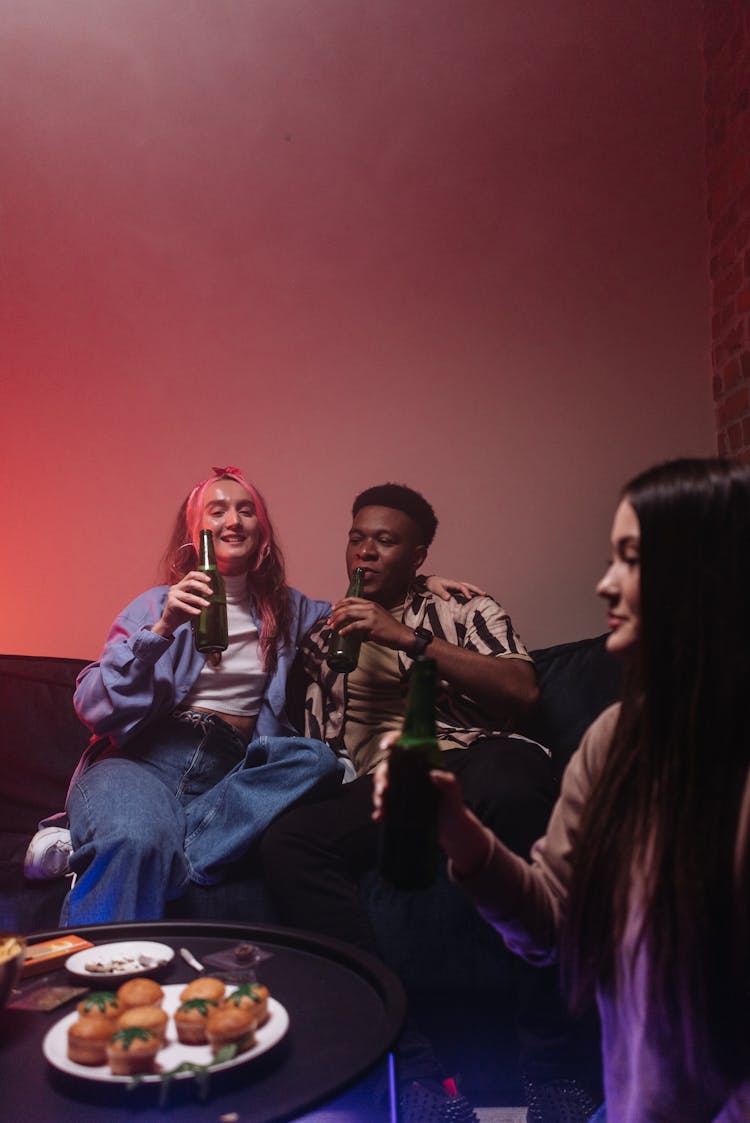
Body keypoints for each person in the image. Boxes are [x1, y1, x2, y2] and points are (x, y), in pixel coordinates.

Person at [374, 458, 750, 1123]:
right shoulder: (615, 738)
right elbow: (550, 926)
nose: (605, 584)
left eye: (631, 560)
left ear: (708, 573)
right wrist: (457, 828)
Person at [260, 483, 600, 1123]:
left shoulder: (464, 608)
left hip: (474, 754)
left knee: (512, 782)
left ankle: (554, 1070)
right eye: (358, 537)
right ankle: (412, 1073)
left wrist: (406, 638)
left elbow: (523, 692)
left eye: (385, 541)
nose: (366, 551)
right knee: (290, 842)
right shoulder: (320, 633)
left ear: (418, 556)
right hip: (387, 782)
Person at [25, 467, 470, 926]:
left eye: (246, 510)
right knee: (137, 839)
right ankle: (105, 938)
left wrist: (422, 582)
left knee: (315, 760)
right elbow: (95, 707)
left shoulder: (292, 611)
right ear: (193, 533)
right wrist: (162, 629)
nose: (233, 520)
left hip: (230, 778)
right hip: (143, 763)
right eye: (217, 511)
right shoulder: (158, 604)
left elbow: (357, 607)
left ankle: (125, 845)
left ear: (263, 531)